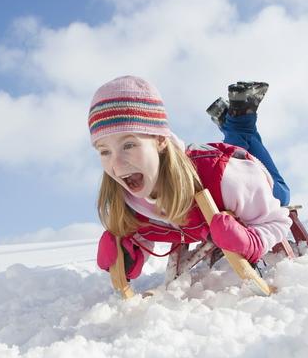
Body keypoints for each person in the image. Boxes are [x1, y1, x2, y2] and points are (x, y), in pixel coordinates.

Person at [90, 75, 292, 280]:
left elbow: (276, 220)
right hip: (220, 176)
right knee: (239, 148)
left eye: (129, 145)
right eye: (104, 151)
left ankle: (239, 124)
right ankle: (233, 124)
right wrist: (130, 251)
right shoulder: (127, 191)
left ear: (160, 139)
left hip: (247, 177)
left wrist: (253, 242)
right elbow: (148, 225)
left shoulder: (226, 179)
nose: (116, 165)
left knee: (283, 194)